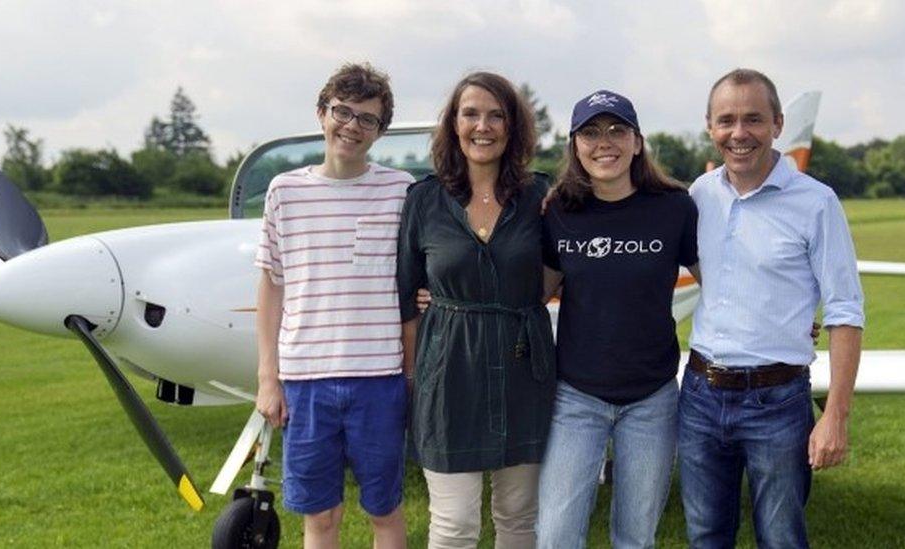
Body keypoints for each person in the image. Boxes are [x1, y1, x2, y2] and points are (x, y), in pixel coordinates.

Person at [679, 68, 865, 548]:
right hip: (699, 395)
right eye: (726, 121)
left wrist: (835, 416)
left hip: (778, 402)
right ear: (709, 126)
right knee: (705, 537)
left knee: (781, 539)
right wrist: (774, 310)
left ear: (778, 124)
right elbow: (713, 273)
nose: (739, 134)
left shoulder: (818, 202)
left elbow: (846, 311)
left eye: (753, 120)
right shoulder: (699, 195)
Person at [254, 62, 412, 549]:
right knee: (320, 517)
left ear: (380, 131)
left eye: (368, 119)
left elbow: (418, 277)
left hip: (379, 378)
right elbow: (271, 286)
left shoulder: (402, 190)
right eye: (343, 112)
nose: (352, 126)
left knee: (385, 510)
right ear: (322, 113)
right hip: (305, 381)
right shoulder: (284, 191)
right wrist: (268, 378)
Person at [396, 71, 556, 549]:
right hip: (448, 374)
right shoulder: (423, 200)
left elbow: (560, 270)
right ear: (453, 123)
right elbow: (407, 296)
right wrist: (412, 380)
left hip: (524, 368)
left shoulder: (540, 197)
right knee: (454, 521)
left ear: (513, 127)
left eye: (496, 115)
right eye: (470, 114)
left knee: (518, 516)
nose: (482, 126)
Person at [534, 90, 700, 549]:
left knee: (635, 537)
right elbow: (532, 295)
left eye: (616, 130)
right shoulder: (559, 212)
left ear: (637, 142)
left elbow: (723, 287)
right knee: (555, 535)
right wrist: (441, 297)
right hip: (576, 396)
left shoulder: (674, 208)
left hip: (652, 399)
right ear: (574, 145)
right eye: (590, 132)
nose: (603, 142)